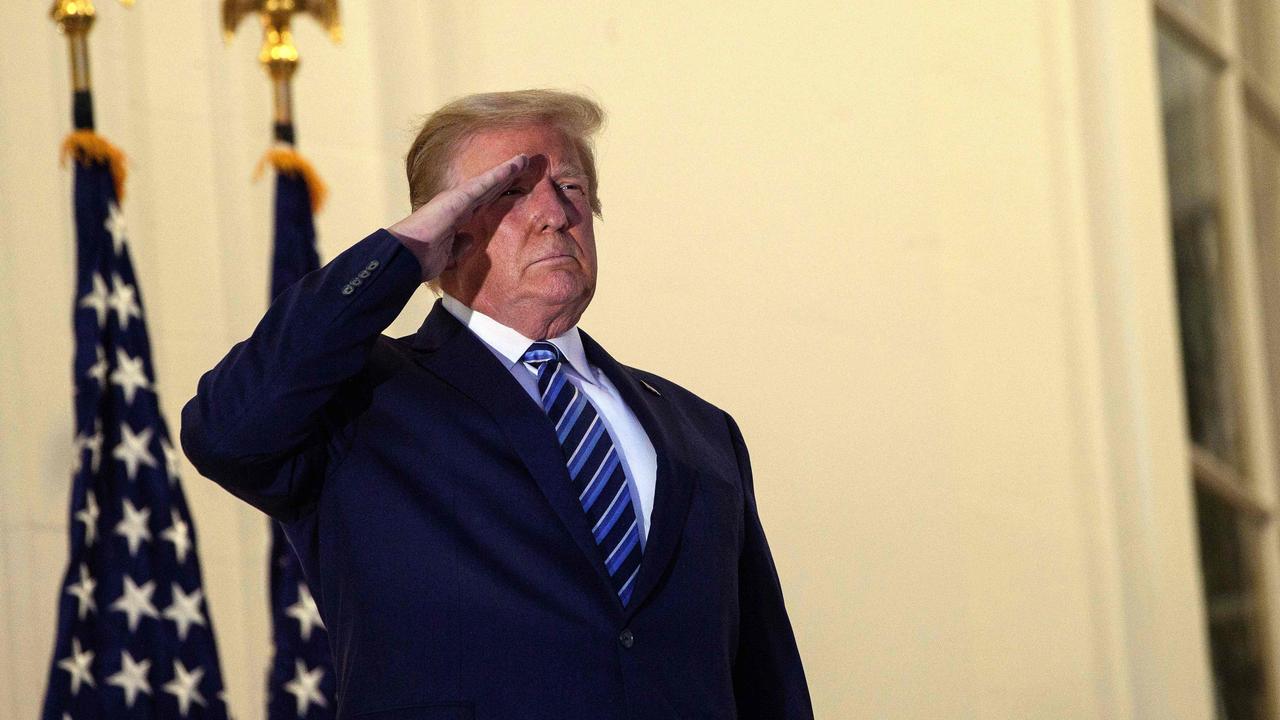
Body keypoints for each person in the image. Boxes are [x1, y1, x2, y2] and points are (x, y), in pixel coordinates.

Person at [181, 89, 813, 720]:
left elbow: (765, 677)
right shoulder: (358, 400)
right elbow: (225, 432)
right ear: (444, 222)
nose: (555, 213)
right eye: (509, 191)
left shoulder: (698, 427)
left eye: (570, 186)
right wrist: (397, 258)